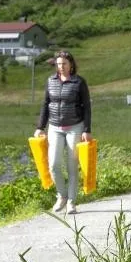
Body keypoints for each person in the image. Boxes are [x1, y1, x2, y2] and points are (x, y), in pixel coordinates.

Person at [34, 50, 92, 215]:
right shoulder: (50, 81)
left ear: (71, 64)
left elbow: (87, 108)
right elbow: (46, 104)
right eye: (58, 64)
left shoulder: (79, 82)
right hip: (55, 128)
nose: (61, 67)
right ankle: (62, 196)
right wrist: (40, 127)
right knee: (53, 165)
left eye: (64, 64)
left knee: (72, 167)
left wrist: (87, 130)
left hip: (75, 127)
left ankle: (72, 203)